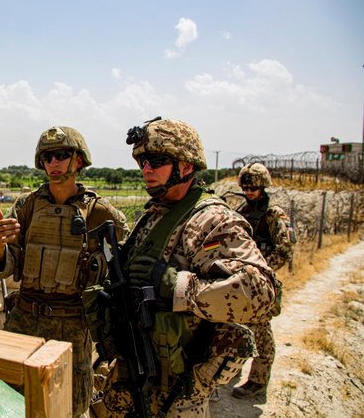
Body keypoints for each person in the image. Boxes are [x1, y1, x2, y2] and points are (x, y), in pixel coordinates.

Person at [99, 117, 277, 417]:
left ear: (187, 166)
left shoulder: (212, 220)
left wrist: (180, 287)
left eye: (157, 160)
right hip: (132, 370)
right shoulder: (155, 214)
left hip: (178, 390)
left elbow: (262, 294)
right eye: (142, 161)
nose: (146, 170)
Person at [0, 126, 129, 417]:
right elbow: (7, 266)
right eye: (48, 157)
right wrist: (0, 245)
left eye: (61, 155)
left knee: (69, 408)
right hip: (25, 318)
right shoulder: (26, 206)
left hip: (72, 326)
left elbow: (120, 274)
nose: (53, 163)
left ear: (78, 161)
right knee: (7, 400)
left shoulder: (102, 214)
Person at [232, 162, 295, 399]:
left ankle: (258, 382)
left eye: (254, 189)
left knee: (260, 330)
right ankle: (233, 368)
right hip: (240, 280)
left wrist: (261, 267)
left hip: (261, 280)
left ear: (263, 187)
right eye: (246, 188)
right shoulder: (241, 211)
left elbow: (285, 249)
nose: (249, 193)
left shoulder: (274, 214)